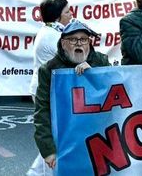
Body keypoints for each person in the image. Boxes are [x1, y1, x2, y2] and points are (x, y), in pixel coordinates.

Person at [31, 21, 111, 176]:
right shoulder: (49, 69)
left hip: (97, 139)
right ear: (63, 43)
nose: (78, 43)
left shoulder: (100, 61)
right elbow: (42, 111)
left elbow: (114, 92)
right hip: (65, 141)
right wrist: (47, 150)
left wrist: (95, 73)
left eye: (83, 39)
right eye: (73, 40)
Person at [29, 0, 70, 96]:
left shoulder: (49, 30)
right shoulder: (52, 36)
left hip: (47, 87)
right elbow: (71, 60)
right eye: (67, 12)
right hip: (46, 90)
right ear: (57, 17)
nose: (71, 15)